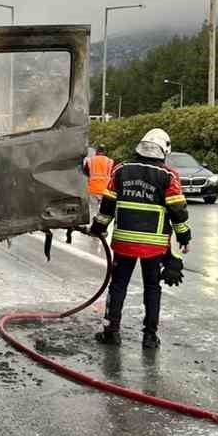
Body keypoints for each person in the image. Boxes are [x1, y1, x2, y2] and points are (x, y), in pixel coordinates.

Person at [89, 127, 191, 351]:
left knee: (118, 286)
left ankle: (111, 331)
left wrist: (98, 227)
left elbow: (107, 205)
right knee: (152, 288)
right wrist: (184, 236)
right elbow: (178, 211)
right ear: (164, 150)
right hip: (153, 246)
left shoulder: (121, 170)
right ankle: (150, 337)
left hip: (123, 241)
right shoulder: (168, 175)